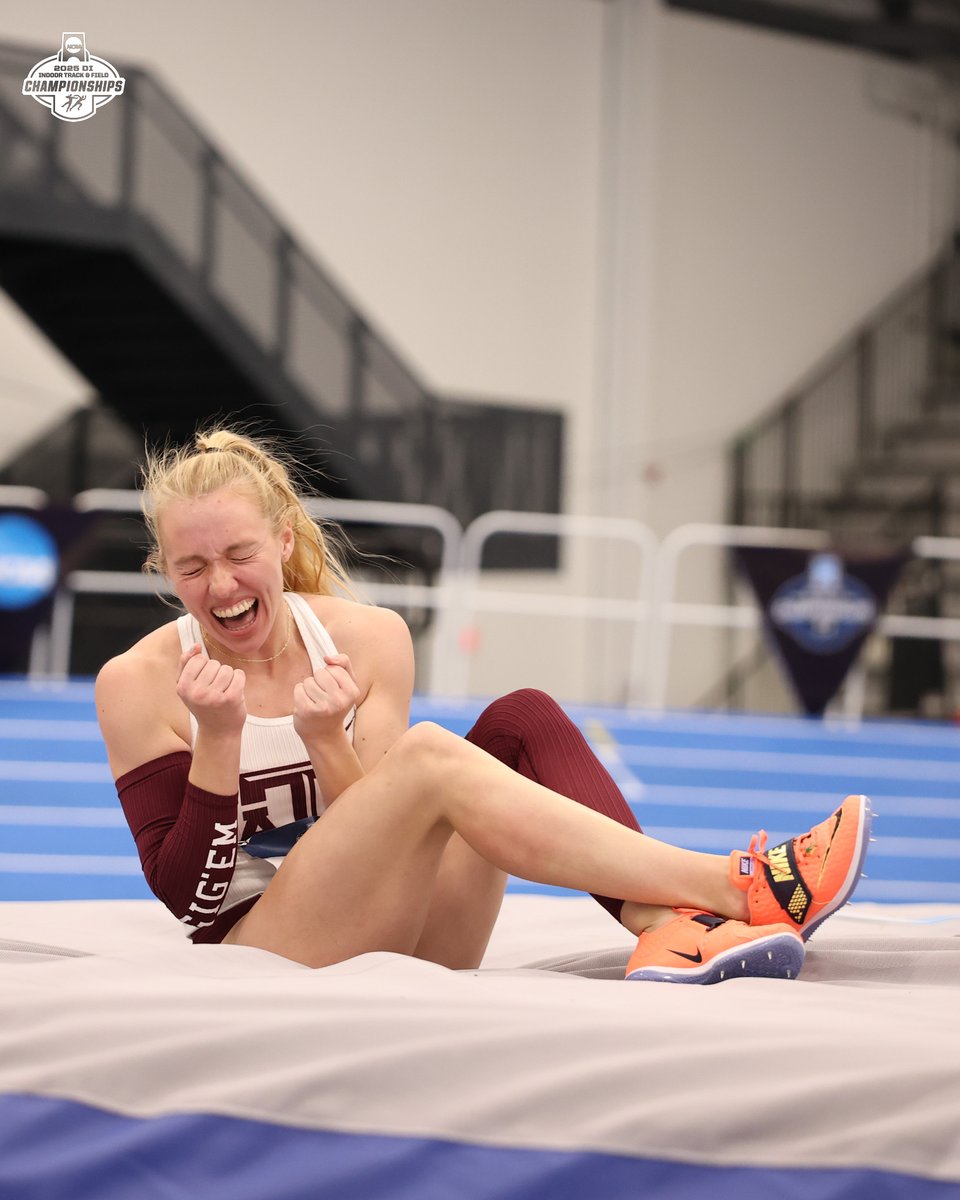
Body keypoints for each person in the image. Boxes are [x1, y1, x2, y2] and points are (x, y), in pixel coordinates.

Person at [95, 428, 872, 986]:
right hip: (264, 955)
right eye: (192, 568)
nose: (222, 588)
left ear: (282, 540)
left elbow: (385, 832)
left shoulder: (366, 638)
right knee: (431, 757)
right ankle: (741, 885)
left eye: (239, 555)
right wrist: (219, 742)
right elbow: (185, 899)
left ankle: (664, 929)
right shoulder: (136, 683)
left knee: (520, 718)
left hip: (407, 936)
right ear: (164, 569)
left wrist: (328, 739)